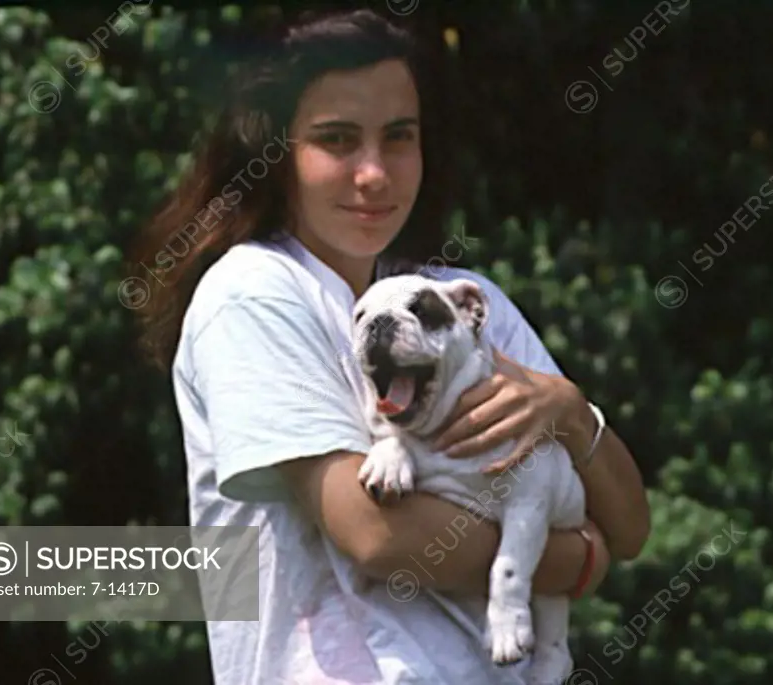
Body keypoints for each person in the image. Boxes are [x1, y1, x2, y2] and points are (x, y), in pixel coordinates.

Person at [128, 8, 650, 684]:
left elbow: (631, 528)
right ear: (274, 148)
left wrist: (572, 413)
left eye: (398, 137)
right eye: (337, 140)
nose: (373, 173)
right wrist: (572, 559)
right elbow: (377, 536)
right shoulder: (254, 293)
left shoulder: (466, 299)